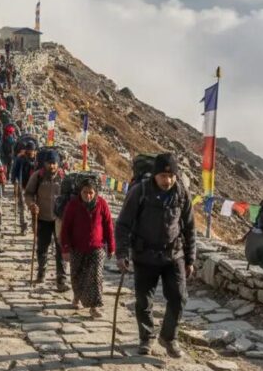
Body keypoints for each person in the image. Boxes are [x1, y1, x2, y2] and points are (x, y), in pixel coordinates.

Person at [115, 153, 195, 358]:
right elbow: (123, 224)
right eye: (162, 176)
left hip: (173, 254)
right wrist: (122, 253)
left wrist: (190, 258)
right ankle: (146, 337)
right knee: (144, 299)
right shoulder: (139, 192)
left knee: (178, 297)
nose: (167, 180)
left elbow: (190, 227)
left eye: (171, 176)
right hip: (144, 255)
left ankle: (168, 337)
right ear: (154, 175)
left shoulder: (182, 194)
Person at [60, 178, 115, 318]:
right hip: (77, 247)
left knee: (96, 276)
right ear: (80, 192)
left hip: (97, 247)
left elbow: (108, 226)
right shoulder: (73, 205)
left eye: (91, 192)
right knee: (77, 275)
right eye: (85, 192)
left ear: (95, 192)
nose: (88, 195)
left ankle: (94, 306)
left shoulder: (102, 204)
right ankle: (77, 296)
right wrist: (65, 248)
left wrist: (111, 246)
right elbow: (65, 228)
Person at [24, 150, 68, 290]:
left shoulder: (64, 178)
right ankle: (41, 273)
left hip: (59, 219)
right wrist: (31, 204)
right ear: (44, 164)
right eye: (49, 163)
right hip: (42, 217)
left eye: (54, 163)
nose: (52, 166)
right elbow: (29, 193)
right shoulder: (38, 176)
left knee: (61, 249)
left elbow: (71, 196)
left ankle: (61, 279)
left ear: (58, 164)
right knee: (42, 248)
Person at [11, 145, 36, 236]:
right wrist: (14, 181)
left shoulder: (37, 160)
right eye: (29, 150)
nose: (31, 152)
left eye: (32, 150)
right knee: (23, 208)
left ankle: (34, 226)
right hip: (23, 186)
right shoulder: (21, 159)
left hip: (35, 188)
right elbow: (14, 171)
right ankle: (24, 227)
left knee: (34, 207)